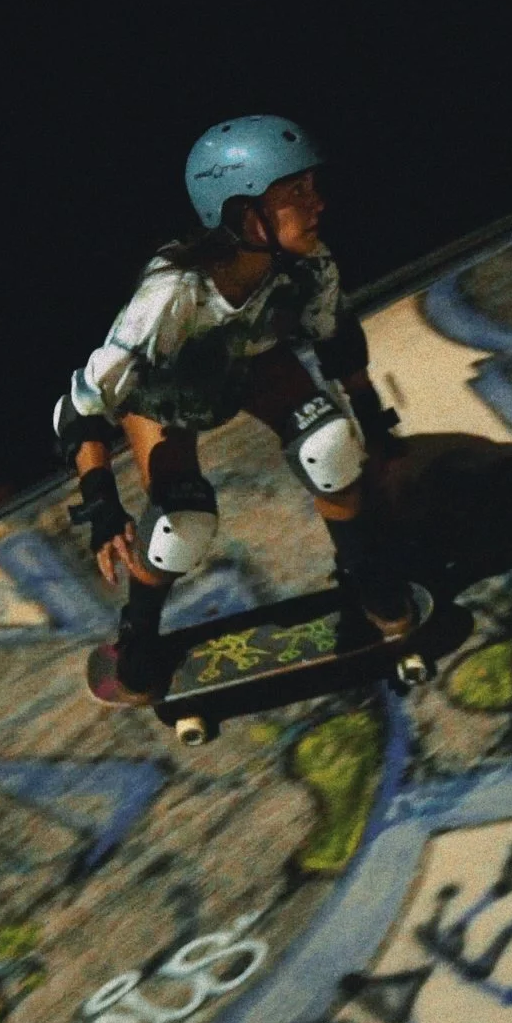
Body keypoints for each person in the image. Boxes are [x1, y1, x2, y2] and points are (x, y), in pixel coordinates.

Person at [54, 115, 413, 706]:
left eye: (312, 186)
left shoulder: (308, 263)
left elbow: (336, 339)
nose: (317, 203)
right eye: (295, 193)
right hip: (167, 394)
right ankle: (137, 638)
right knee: (182, 525)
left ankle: (366, 576)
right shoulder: (171, 295)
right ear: (246, 215)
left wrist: (373, 424)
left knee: (332, 447)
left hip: (254, 368)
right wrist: (101, 506)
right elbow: (82, 407)